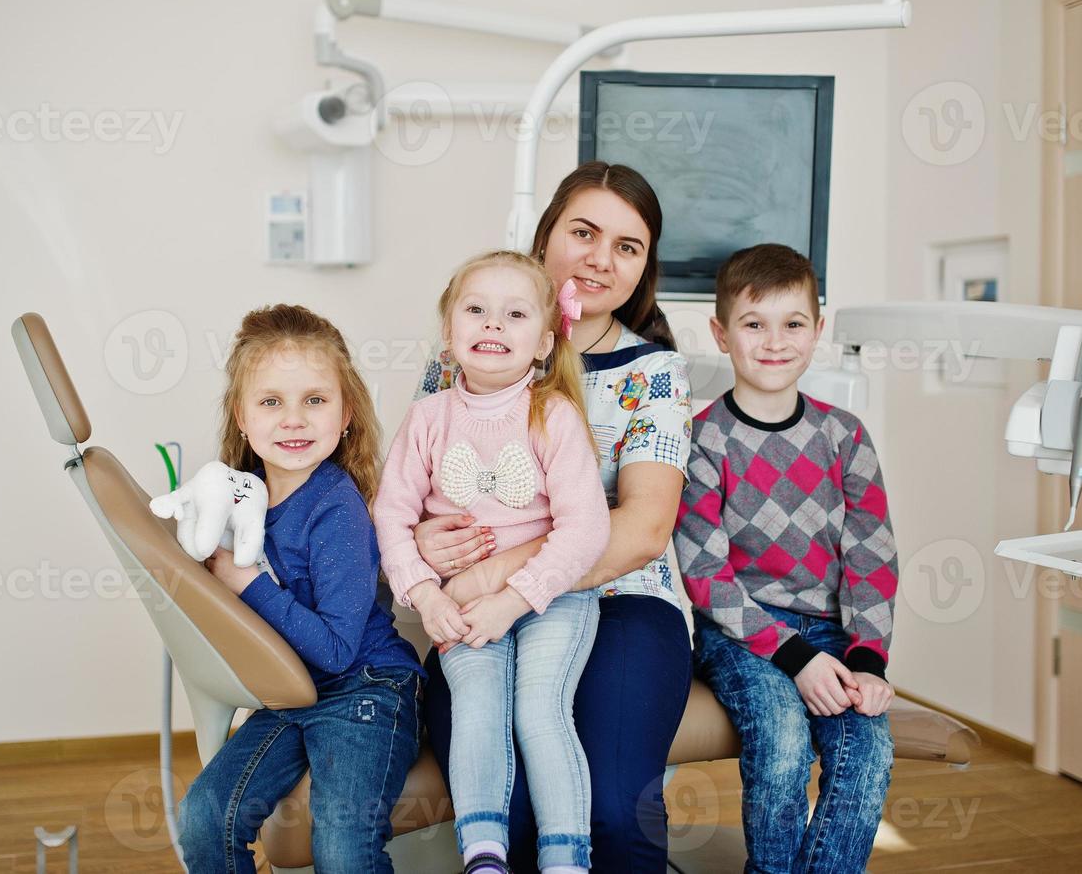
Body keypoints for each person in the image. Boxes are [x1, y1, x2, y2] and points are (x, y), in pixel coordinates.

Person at [414, 162, 695, 872]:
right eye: (584, 232)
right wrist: (422, 539)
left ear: (642, 269)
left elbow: (643, 530)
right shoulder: (461, 358)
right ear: (544, 238)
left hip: (617, 601)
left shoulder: (653, 375)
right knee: (499, 815)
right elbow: (416, 496)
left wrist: (505, 579)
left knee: (611, 815)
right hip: (477, 613)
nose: (601, 258)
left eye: (627, 246)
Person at [374, 250, 609, 874]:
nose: (492, 326)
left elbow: (586, 528)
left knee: (539, 709)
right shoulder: (427, 418)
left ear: (543, 341)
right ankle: (484, 850)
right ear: (449, 333)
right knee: (477, 707)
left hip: (554, 594)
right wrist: (427, 597)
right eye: (476, 310)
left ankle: (565, 857)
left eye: (514, 314)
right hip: (460, 603)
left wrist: (516, 597)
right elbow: (390, 515)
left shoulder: (552, 415)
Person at [176, 304, 424, 874]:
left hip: (366, 688)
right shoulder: (243, 500)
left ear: (346, 416)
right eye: (271, 402)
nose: (294, 420)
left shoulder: (336, 508)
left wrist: (248, 583)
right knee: (205, 816)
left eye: (315, 400)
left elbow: (337, 647)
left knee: (341, 847)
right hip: (290, 693)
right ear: (241, 417)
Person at [674, 244, 897, 874]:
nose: (775, 342)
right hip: (739, 638)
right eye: (754, 324)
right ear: (721, 334)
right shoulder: (702, 441)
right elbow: (706, 578)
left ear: (817, 331)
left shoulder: (845, 435)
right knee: (781, 745)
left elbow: (872, 558)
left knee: (867, 755)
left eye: (793, 323)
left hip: (835, 637)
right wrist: (796, 658)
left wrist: (867, 658)